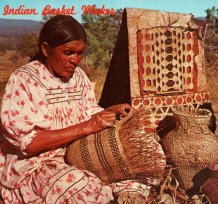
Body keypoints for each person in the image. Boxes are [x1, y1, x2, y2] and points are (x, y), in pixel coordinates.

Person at [0, 15, 153, 203]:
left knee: (136, 170)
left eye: (80, 53)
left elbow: (87, 112)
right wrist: (87, 126)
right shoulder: (24, 80)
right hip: (38, 164)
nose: (75, 60)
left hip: (79, 152)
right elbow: (30, 145)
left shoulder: (78, 77)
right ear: (46, 49)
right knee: (79, 188)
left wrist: (112, 110)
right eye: (69, 52)